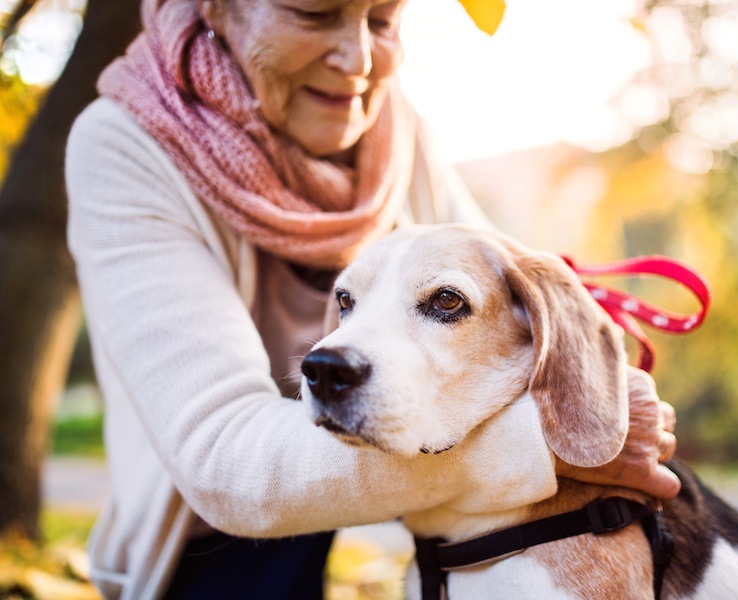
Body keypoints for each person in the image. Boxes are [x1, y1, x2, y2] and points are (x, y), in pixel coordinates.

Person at [65, 0, 680, 598]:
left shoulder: (396, 127)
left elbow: (507, 295)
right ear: (216, 9)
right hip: (216, 534)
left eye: (382, 19)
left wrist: (596, 400)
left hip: (401, 458)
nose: (358, 58)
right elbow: (227, 464)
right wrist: (552, 443)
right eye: (313, 14)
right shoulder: (123, 144)